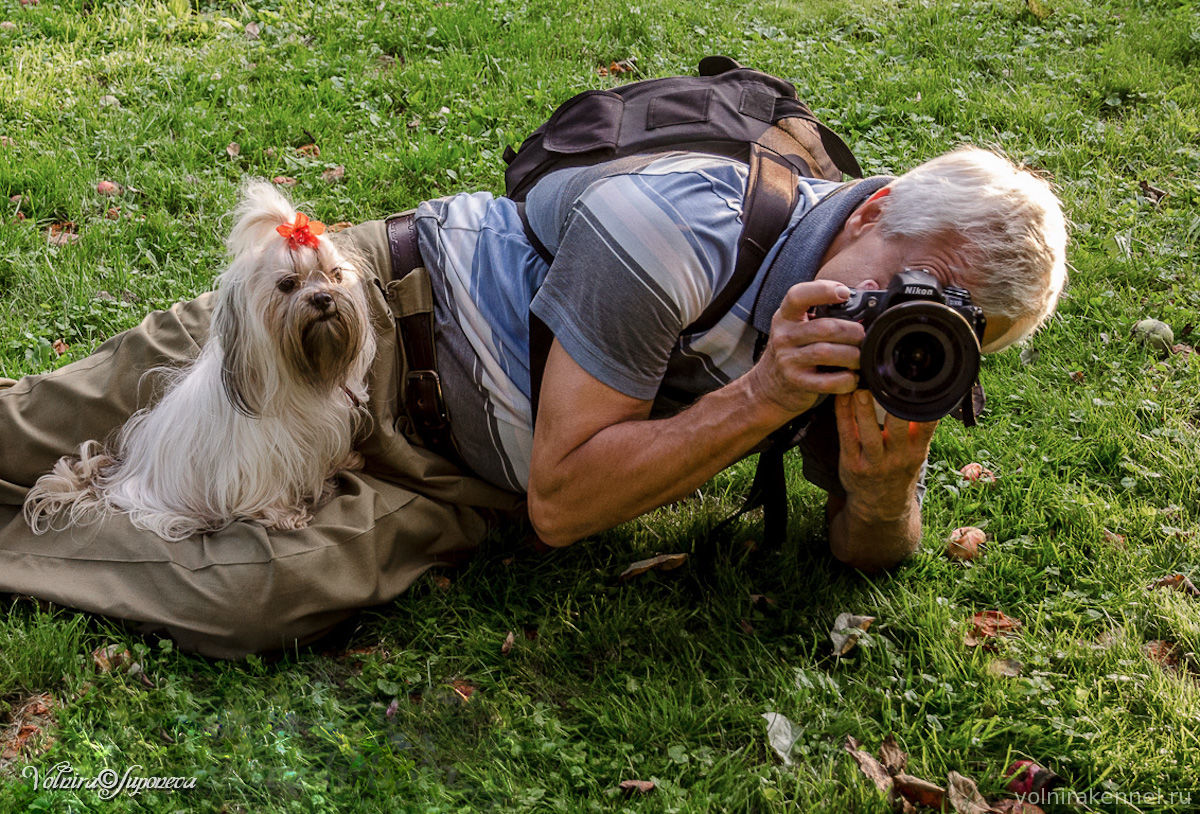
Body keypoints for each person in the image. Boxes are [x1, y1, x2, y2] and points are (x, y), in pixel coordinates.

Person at [0, 145, 1067, 658]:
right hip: (357, 313)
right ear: (873, 208)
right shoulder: (680, 225)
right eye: (906, 282)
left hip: (464, 475)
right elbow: (573, 497)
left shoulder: (882, 344)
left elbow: (861, 549)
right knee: (31, 428)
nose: (901, 315)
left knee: (246, 596)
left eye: (952, 326)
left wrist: (887, 481)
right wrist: (763, 393)